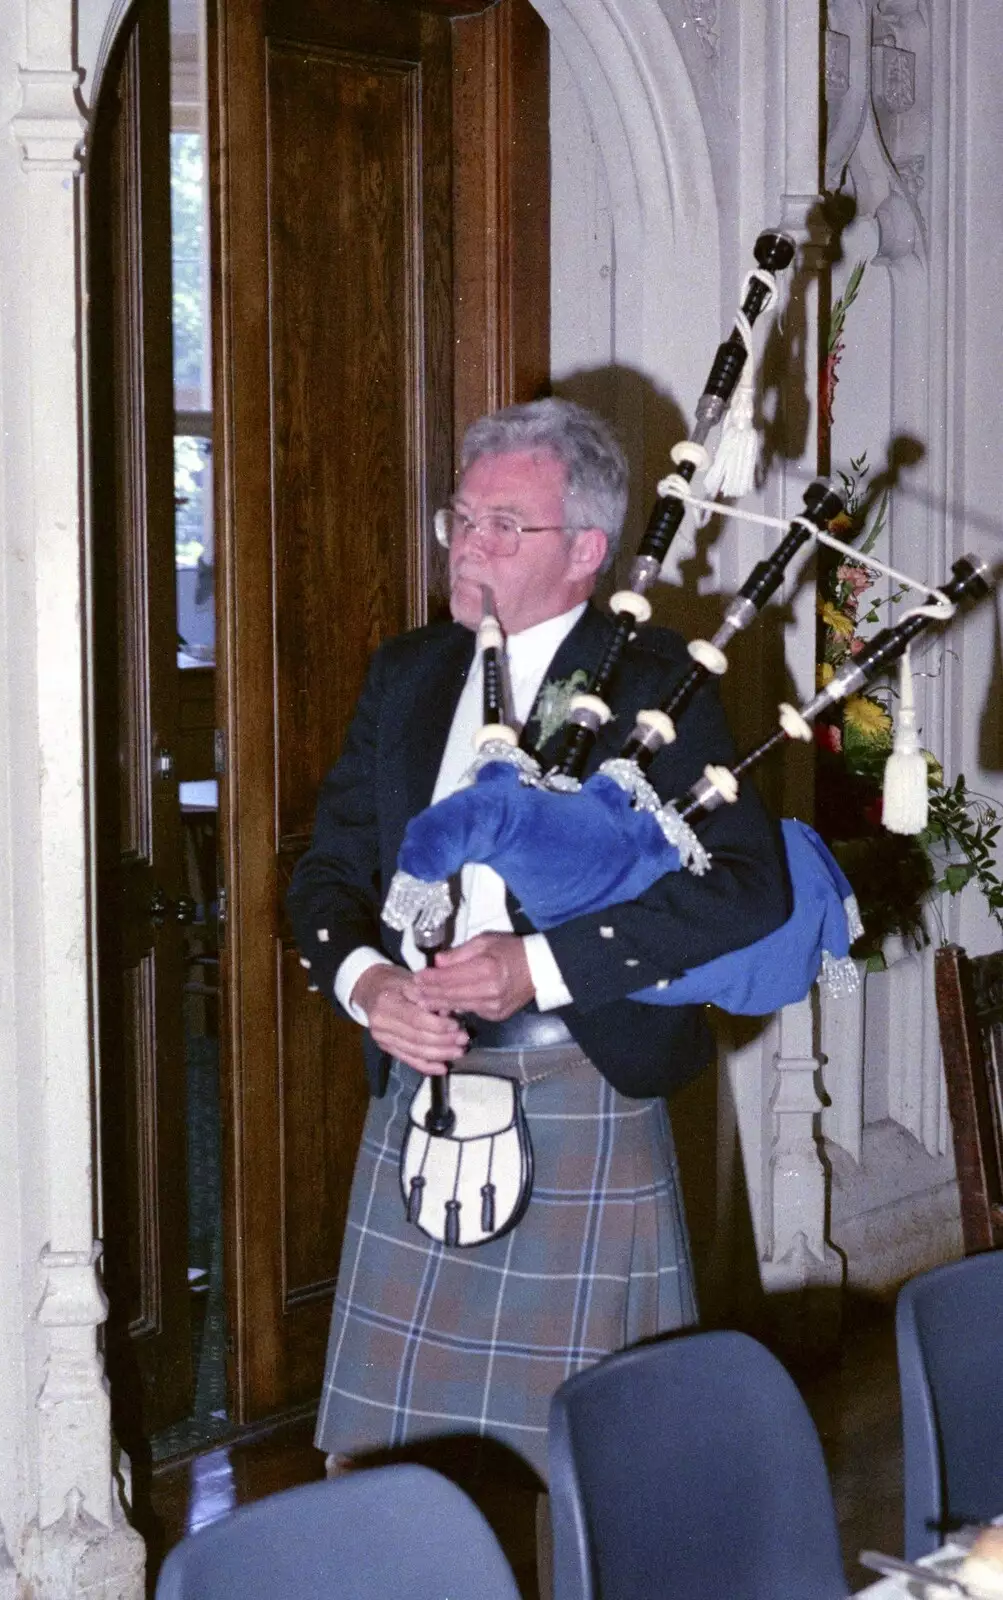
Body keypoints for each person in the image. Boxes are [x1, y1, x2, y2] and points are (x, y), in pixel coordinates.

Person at [287, 397, 789, 1487]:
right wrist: (369, 983)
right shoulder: (410, 672)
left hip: (581, 1081)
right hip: (421, 1092)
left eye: (504, 526)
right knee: (369, 1462)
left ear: (588, 551)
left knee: (594, 1471)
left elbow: (749, 892)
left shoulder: (663, 681)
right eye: (460, 519)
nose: (470, 544)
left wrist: (537, 964)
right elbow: (326, 870)